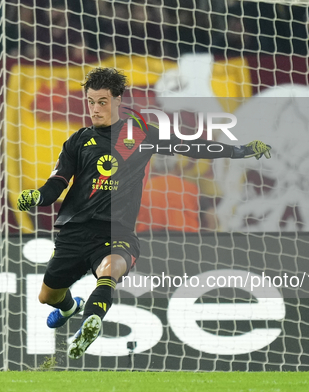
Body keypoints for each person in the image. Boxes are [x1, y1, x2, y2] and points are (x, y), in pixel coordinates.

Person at [17, 67, 272, 360]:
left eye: (102, 101)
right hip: (75, 231)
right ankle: (70, 308)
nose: (95, 109)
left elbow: (192, 147)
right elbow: (57, 183)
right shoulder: (78, 141)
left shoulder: (140, 135)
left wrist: (239, 150)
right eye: (91, 101)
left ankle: (92, 322)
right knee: (47, 296)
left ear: (116, 100)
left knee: (109, 271)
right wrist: (37, 195)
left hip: (116, 231)